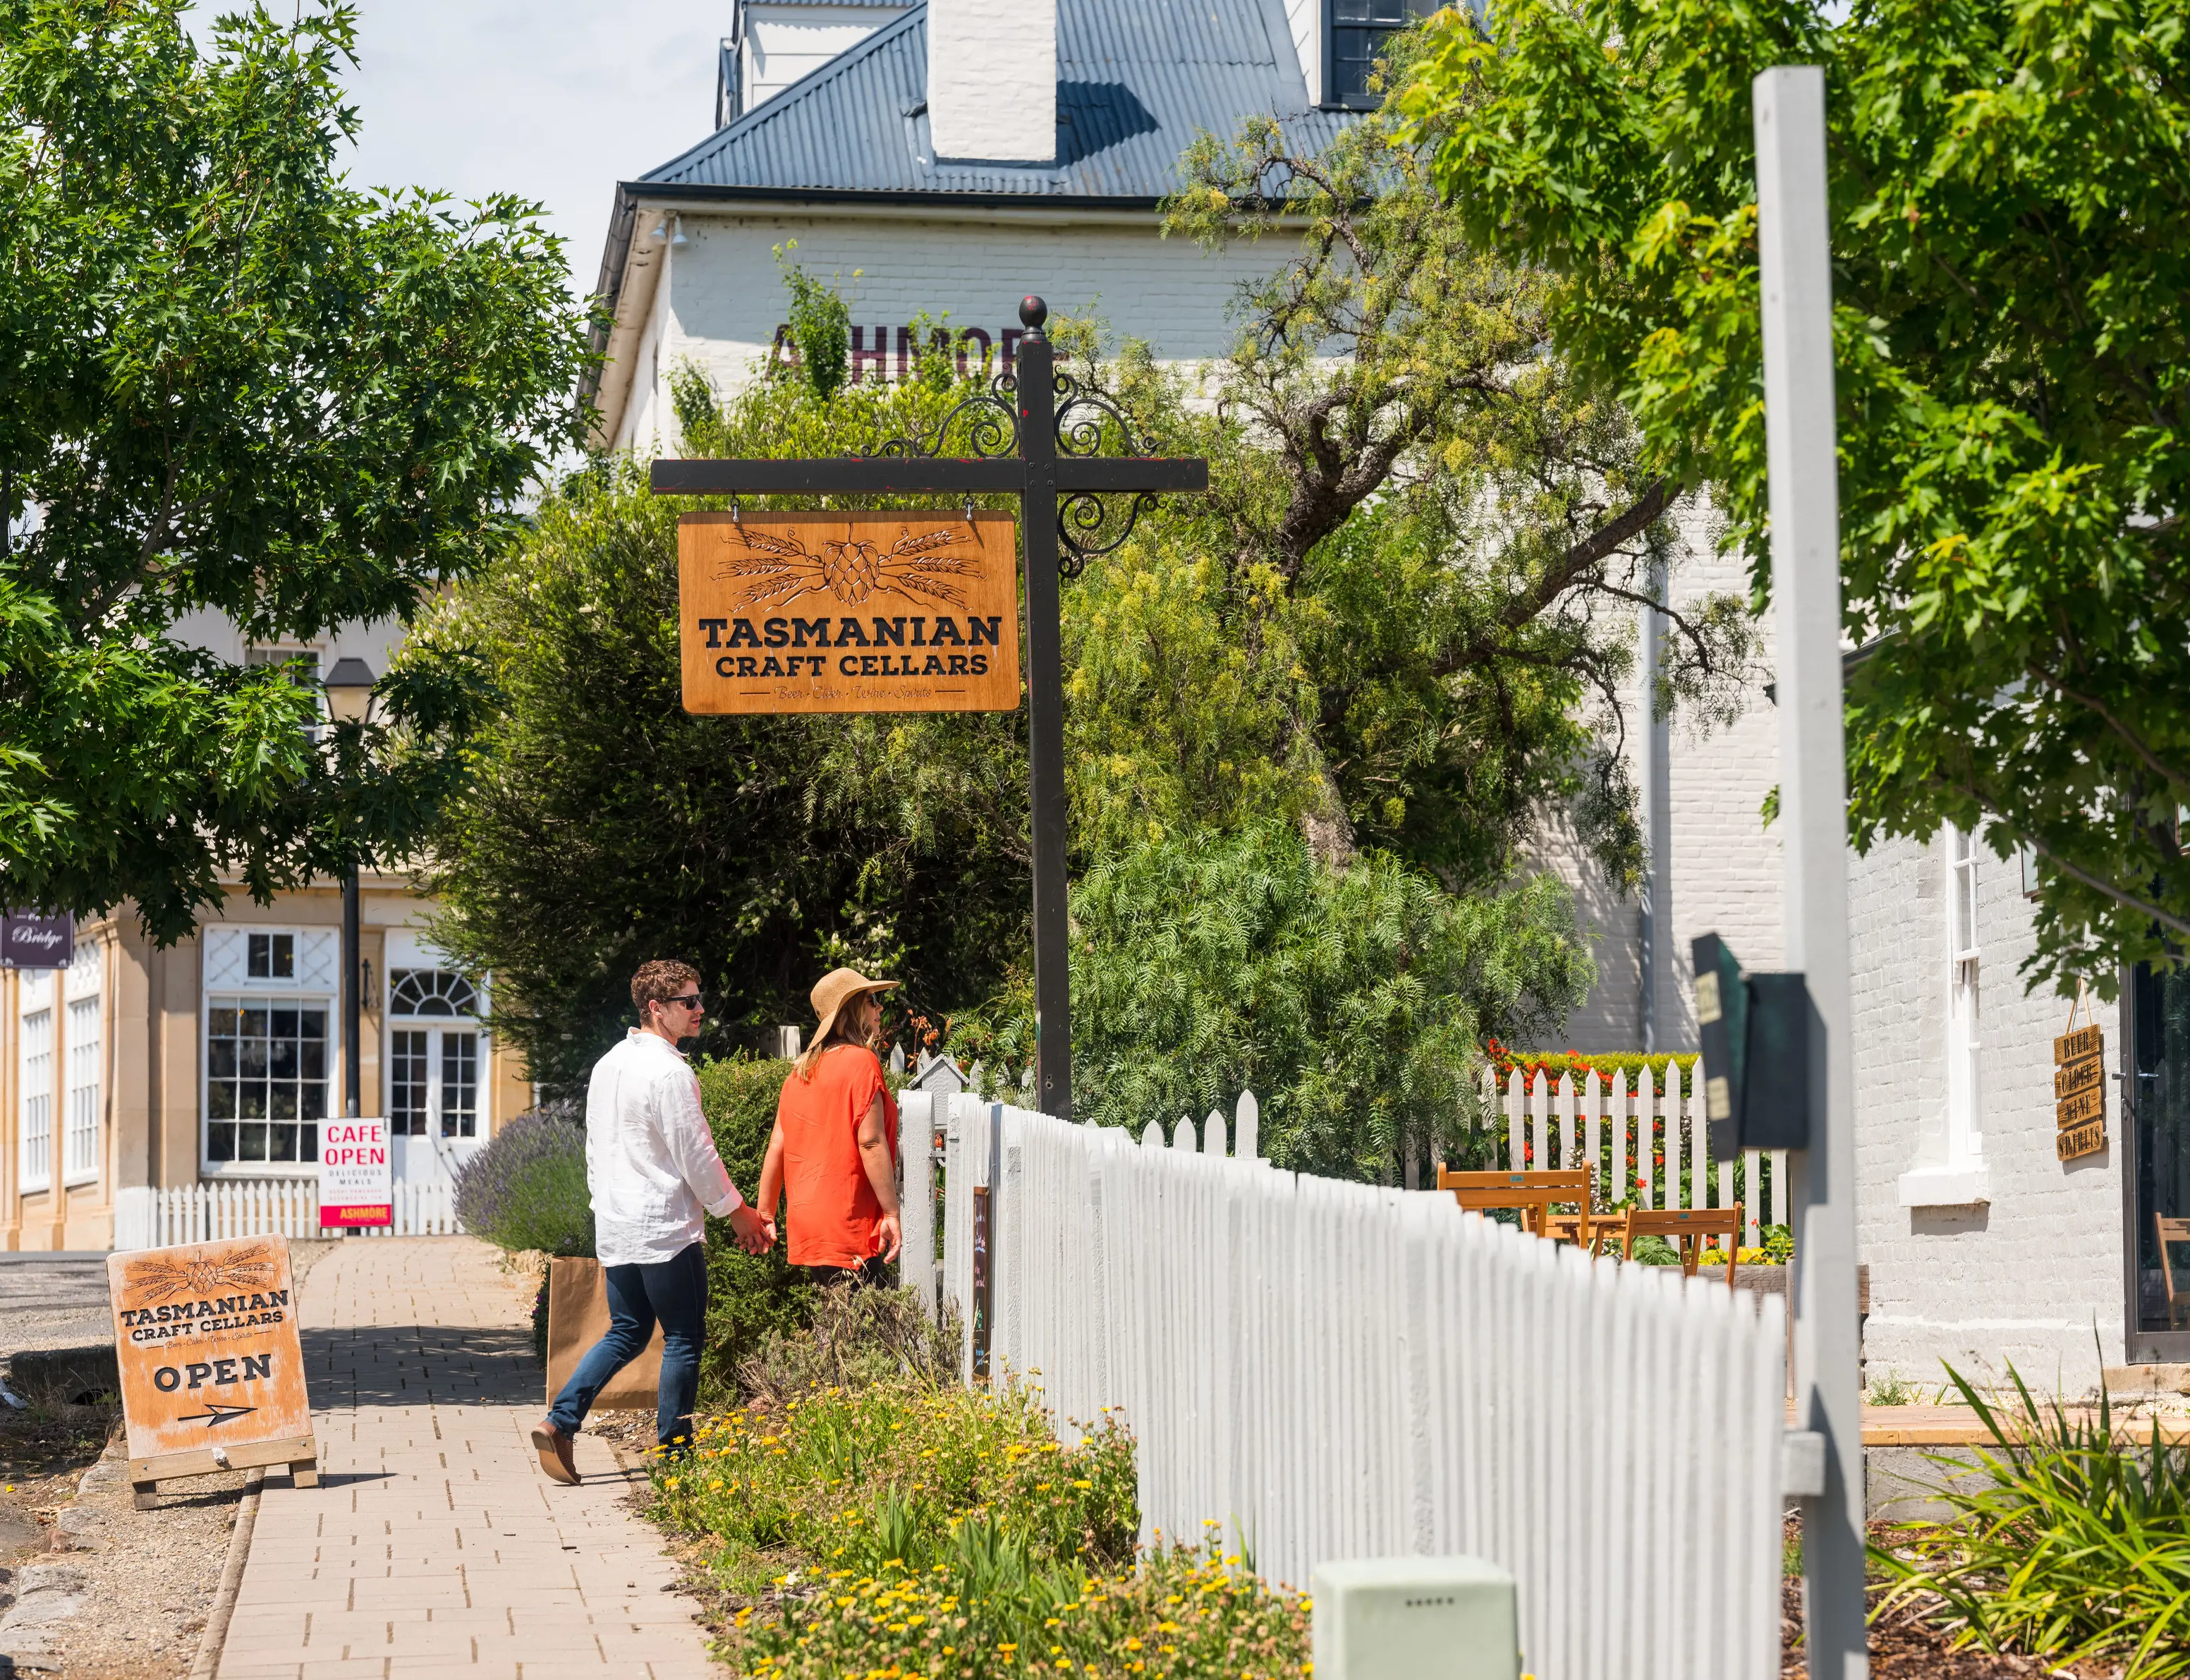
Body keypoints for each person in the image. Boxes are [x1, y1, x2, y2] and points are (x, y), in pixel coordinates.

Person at [531, 960, 772, 1486]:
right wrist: (738, 1213)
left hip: (618, 1224)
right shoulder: (670, 1073)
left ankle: (560, 1421)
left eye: (699, 998)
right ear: (656, 1008)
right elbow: (697, 1155)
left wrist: (605, 1205)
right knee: (683, 1337)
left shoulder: (608, 1064)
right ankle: (676, 1455)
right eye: (688, 1001)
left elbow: (595, 1149)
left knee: (629, 1330)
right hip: (664, 1229)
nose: (699, 1009)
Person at [756, 967, 903, 1285]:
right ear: (852, 1009)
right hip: (850, 1220)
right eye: (871, 1000)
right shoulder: (862, 1062)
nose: (879, 1007)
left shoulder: (799, 1073)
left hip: (809, 1224)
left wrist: (765, 1213)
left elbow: (777, 1147)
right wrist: (891, 1213)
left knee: (835, 1310)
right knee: (860, 1313)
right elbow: (871, 1142)